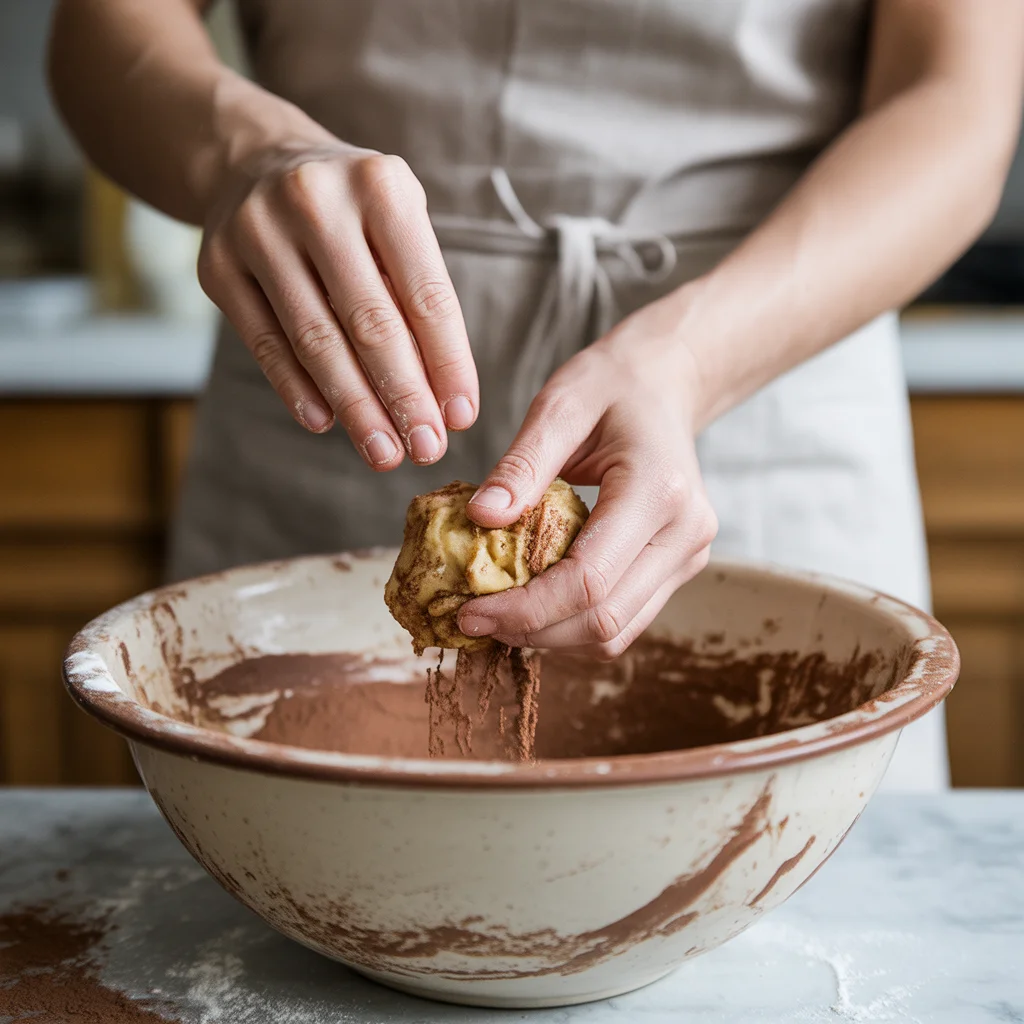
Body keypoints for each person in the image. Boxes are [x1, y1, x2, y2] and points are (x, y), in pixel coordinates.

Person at [49, 0, 1024, 791]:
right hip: (332, 369)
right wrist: (240, 153)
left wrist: (687, 361)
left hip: (761, 354)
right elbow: (103, 29)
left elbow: (958, 100)